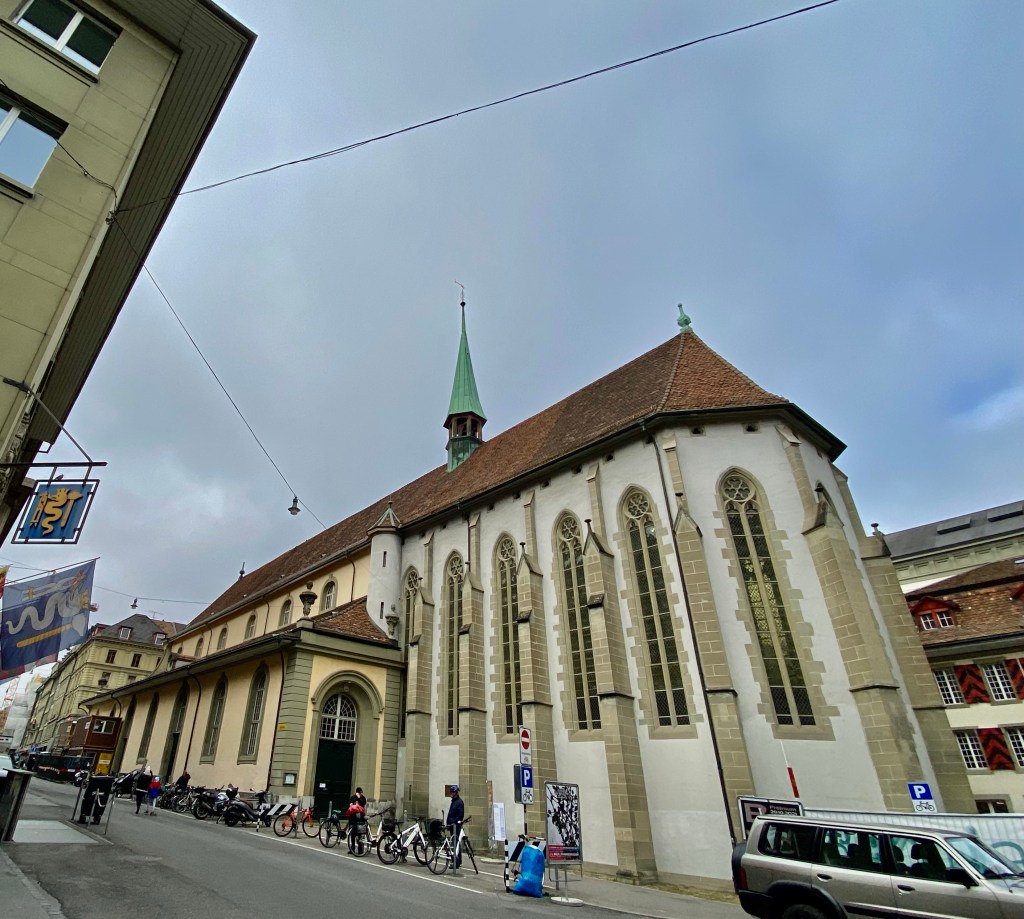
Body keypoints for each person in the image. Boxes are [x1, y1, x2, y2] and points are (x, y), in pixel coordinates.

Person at [446, 784, 465, 871]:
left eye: (452, 792)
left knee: (456, 844)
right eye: (451, 792)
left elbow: (460, 816)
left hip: (456, 826)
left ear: (456, 793)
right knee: (455, 843)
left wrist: (454, 822)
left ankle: (456, 862)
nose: (451, 793)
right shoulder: (453, 801)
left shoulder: (459, 802)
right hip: (451, 826)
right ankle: (457, 861)